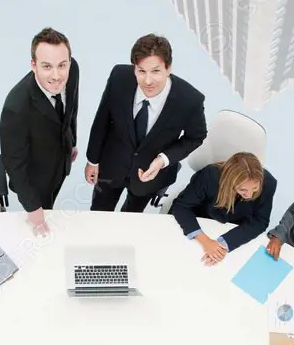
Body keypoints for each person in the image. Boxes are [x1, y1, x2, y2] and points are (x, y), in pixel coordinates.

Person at [85, 34, 207, 213]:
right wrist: (92, 160)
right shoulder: (119, 77)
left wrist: (163, 159)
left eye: (156, 71)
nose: (148, 81)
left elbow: (196, 137)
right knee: (98, 214)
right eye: (141, 71)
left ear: (168, 68)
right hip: (111, 166)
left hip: (150, 177)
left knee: (131, 218)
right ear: (134, 68)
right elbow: (102, 119)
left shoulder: (190, 100)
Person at [0, 27, 80, 235]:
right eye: (47, 66)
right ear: (33, 65)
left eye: (62, 65)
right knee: (44, 216)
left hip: (61, 160)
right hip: (37, 176)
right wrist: (34, 208)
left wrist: (72, 140)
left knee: (54, 197)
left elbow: (72, 107)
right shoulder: (16, 106)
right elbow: (14, 164)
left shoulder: (73, 71)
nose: (56, 75)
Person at [168, 152, 276, 265]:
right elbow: (181, 206)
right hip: (200, 219)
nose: (249, 195)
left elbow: (260, 221)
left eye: (254, 188)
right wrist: (206, 241)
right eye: (242, 190)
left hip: (232, 226)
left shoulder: (269, 183)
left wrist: (223, 244)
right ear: (231, 181)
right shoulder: (210, 175)